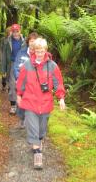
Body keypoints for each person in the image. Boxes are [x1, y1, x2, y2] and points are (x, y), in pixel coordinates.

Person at [16, 38, 66, 169]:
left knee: (41, 130)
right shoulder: (27, 65)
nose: (39, 53)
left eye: (42, 50)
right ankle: (37, 153)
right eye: (37, 50)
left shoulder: (52, 66)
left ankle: (39, 140)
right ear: (33, 51)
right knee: (32, 127)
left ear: (45, 50)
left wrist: (61, 98)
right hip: (30, 102)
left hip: (45, 103)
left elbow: (58, 83)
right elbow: (21, 82)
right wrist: (19, 95)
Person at [13, 32, 39, 128]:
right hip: (22, 83)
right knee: (21, 103)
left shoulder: (39, 54)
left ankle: (33, 121)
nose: (33, 43)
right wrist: (19, 80)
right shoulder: (21, 52)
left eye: (35, 41)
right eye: (31, 41)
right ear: (28, 42)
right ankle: (22, 119)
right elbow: (16, 67)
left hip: (34, 85)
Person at [0, 24, 24, 114]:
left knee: (23, 85)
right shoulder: (7, 42)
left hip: (22, 65)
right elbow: (4, 57)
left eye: (17, 31)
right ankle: (13, 105)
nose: (15, 33)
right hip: (12, 65)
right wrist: (3, 70)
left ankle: (22, 105)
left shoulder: (25, 41)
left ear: (20, 31)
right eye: (14, 32)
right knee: (12, 85)